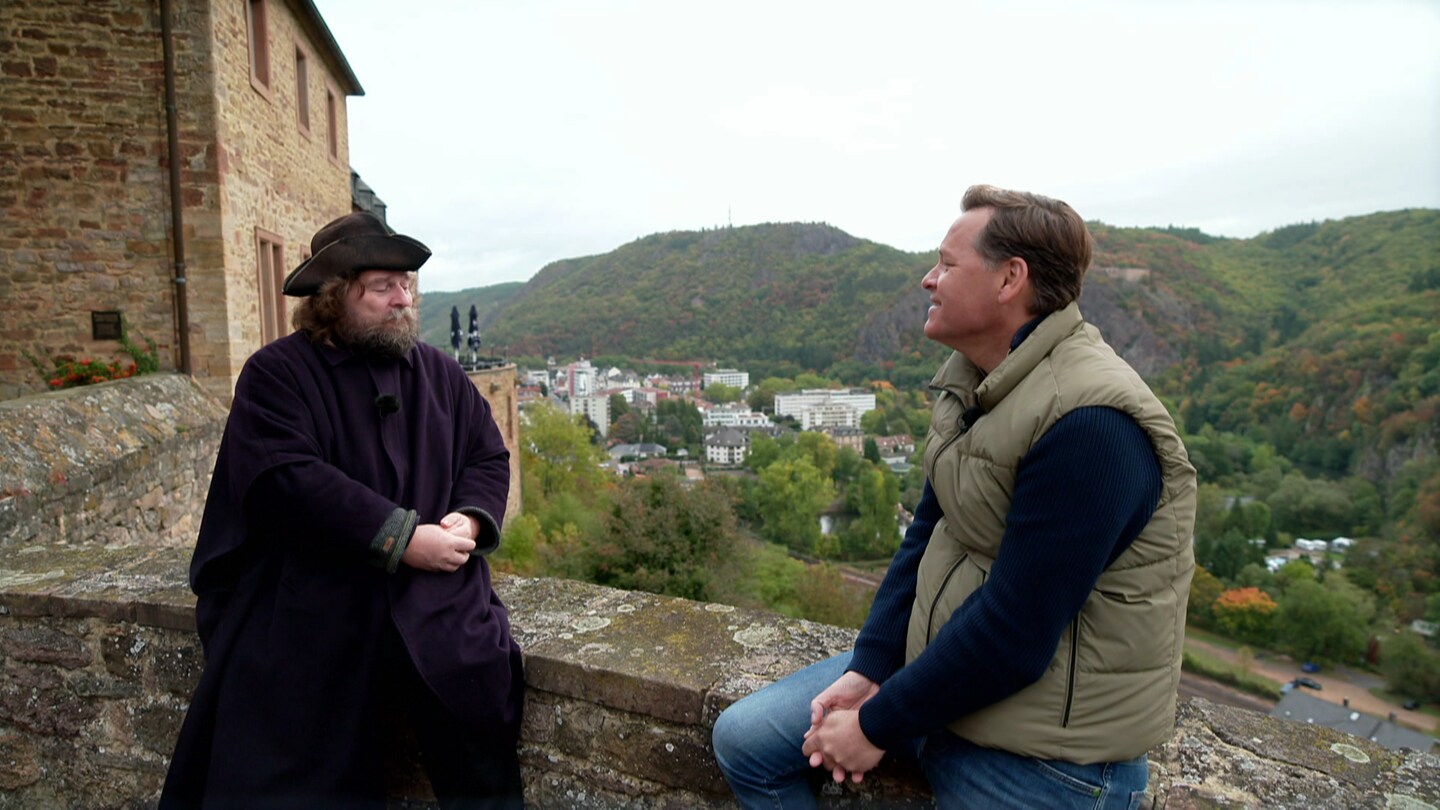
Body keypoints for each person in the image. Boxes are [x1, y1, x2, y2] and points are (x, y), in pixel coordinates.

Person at [712, 185, 1197, 808]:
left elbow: (1016, 633)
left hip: (1040, 753)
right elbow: (929, 532)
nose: (927, 279)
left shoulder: (1092, 424)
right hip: (937, 686)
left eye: (947, 264)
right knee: (744, 741)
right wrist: (871, 665)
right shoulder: (976, 384)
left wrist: (874, 724)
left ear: (1009, 280)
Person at [160, 212, 525, 809]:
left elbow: (486, 454)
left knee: (475, 703)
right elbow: (287, 480)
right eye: (383, 287)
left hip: (431, 600)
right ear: (334, 296)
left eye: (407, 284)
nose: (402, 299)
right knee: (290, 760)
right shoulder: (276, 375)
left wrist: (472, 517)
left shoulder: (439, 374)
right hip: (313, 594)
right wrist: (402, 537)